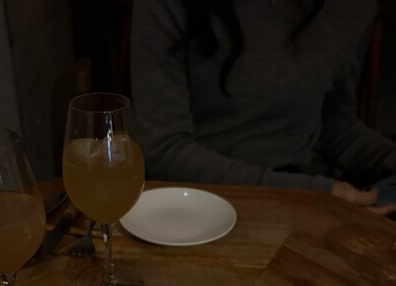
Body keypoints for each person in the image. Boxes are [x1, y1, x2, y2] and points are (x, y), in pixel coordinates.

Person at [130, 0, 396, 215]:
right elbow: (163, 149)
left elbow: (333, 126)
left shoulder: (352, 8)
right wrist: (313, 191)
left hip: (303, 200)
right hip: (190, 201)